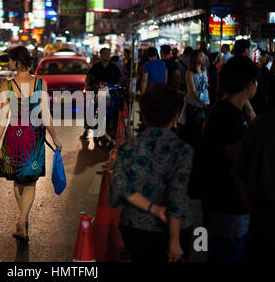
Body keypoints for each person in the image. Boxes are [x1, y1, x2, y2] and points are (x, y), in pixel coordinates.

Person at [110, 83, 194, 262]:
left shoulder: (127, 147)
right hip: (172, 229)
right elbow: (176, 196)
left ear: (144, 116)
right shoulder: (182, 150)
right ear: (175, 116)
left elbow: (119, 185)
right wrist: (174, 240)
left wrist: (152, 208)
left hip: (134, 227)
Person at [0, 46, 62, 242]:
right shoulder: (40, 83)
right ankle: (23, 219)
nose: (8, 63)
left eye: (9, 60)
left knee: (17, 179)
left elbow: (3, 117)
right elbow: (45, 115)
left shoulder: (6, 85)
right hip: (33, 137)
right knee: (30, 180)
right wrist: (55, 138)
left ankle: (23, 220)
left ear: (15, 62)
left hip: (13, 136)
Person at [200, 55, 259, 262]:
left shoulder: (234, 110)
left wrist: (246, 104)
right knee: (226, 255)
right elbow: (241, 162)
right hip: (226, 206)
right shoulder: (225, 116)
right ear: (250, 84)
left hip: (226, 205)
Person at [234, 75, 275, 262]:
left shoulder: (260, 125)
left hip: (263, 216)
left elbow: (240, 175)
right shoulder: (261, 125)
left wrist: (254, 211)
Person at [82, 47, 122, 139]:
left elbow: (119, 79)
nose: (107, 56)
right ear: (101, 55)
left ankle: (115, 127)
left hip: (110, 93)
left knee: (117, 106)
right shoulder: (96, 67)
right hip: (97, 93)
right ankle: (87, 128)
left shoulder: (114, 67)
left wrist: (119, 86)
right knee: (90, 107)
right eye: (105, 54)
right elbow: (88, 78)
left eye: (108, 54)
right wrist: (89, 86)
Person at [178, 49, 210, 148]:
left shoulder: (204, 70)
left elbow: (205, 86)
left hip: (205, 102)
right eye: (201, 56)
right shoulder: (190, 72)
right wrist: (201, 102)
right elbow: (192, 91)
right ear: (195, 58)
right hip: (193, 104)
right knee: (192, 129)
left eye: (204, 56)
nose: (203, 58)